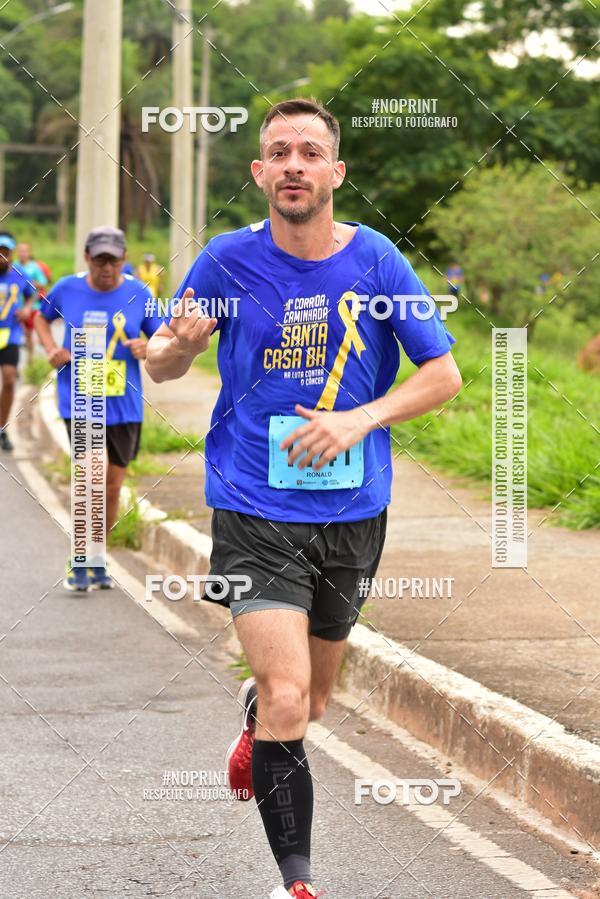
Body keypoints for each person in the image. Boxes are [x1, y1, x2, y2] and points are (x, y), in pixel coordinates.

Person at [145, 98, 462, 899]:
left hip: (353, 514)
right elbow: (163, 362)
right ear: (258, 173)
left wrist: (362, 416)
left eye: (309, 152)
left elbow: (442, 374)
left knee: (309, 700)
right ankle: (299, 883)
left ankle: (259, 721)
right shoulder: (225, 260)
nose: (293, 164)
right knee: (290, 694)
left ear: (335, 172)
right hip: (253, 506)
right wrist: (172, 347)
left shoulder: (380, 261)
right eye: (278, 151)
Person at [35, 226, 164, 592]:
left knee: (111, 485)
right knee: (90, 474)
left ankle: (96, 554)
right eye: (100, 259)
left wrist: (147, 348)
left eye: (114, 260)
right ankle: (79, 557)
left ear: (124, 261)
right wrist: (51, 350)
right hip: (79, 397)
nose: (107, 268)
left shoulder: (140, 293)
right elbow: (41, 320)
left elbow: (161, 337)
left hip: (124, 405)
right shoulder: (67, 288)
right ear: (88, 258)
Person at [0, 233, 35, 451]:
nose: (2, 257)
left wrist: (27, 308)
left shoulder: (19, 275)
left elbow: (32, 294)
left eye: (6, 252)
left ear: (11, 254)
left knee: (10, 379)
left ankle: (2, 429)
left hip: (10, 334)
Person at [15, 241, 49, 363]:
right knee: (21, 334)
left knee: (33, 334)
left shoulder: (34, 267)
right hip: (17, 306)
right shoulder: (14, 266)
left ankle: (33, 360)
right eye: (20, 251)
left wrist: (29, 282)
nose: (22, 254)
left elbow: (43, 283)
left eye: (25, 251)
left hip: (33, 306)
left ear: (29, 253)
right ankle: (18, 361)